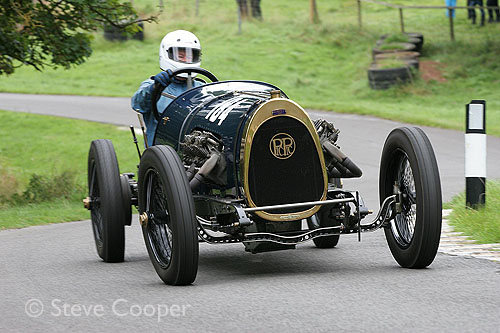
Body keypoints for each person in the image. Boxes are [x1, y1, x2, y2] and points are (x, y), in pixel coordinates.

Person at [131, 30, 203, 147]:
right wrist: (154, 88)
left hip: (195, 151)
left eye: (190, 56)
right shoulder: (152, 85)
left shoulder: (201, 88)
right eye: (180, 56)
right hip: (161, 154)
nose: (186, 60)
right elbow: (138, 105)